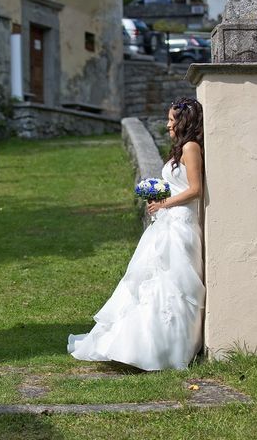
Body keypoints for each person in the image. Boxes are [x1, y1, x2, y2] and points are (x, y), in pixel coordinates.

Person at [67, 97, 206, 371]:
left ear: (184, 121)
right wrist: (158, 196)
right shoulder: (179, 149)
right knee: (150, 282)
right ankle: (139, 344)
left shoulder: (191, 148)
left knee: (173, 284)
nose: (167, 124)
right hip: (167, 223)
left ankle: (167, 348)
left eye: (171, 119)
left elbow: (195, 189)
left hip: (181, 226)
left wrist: (164, 202)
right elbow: (177, 187)